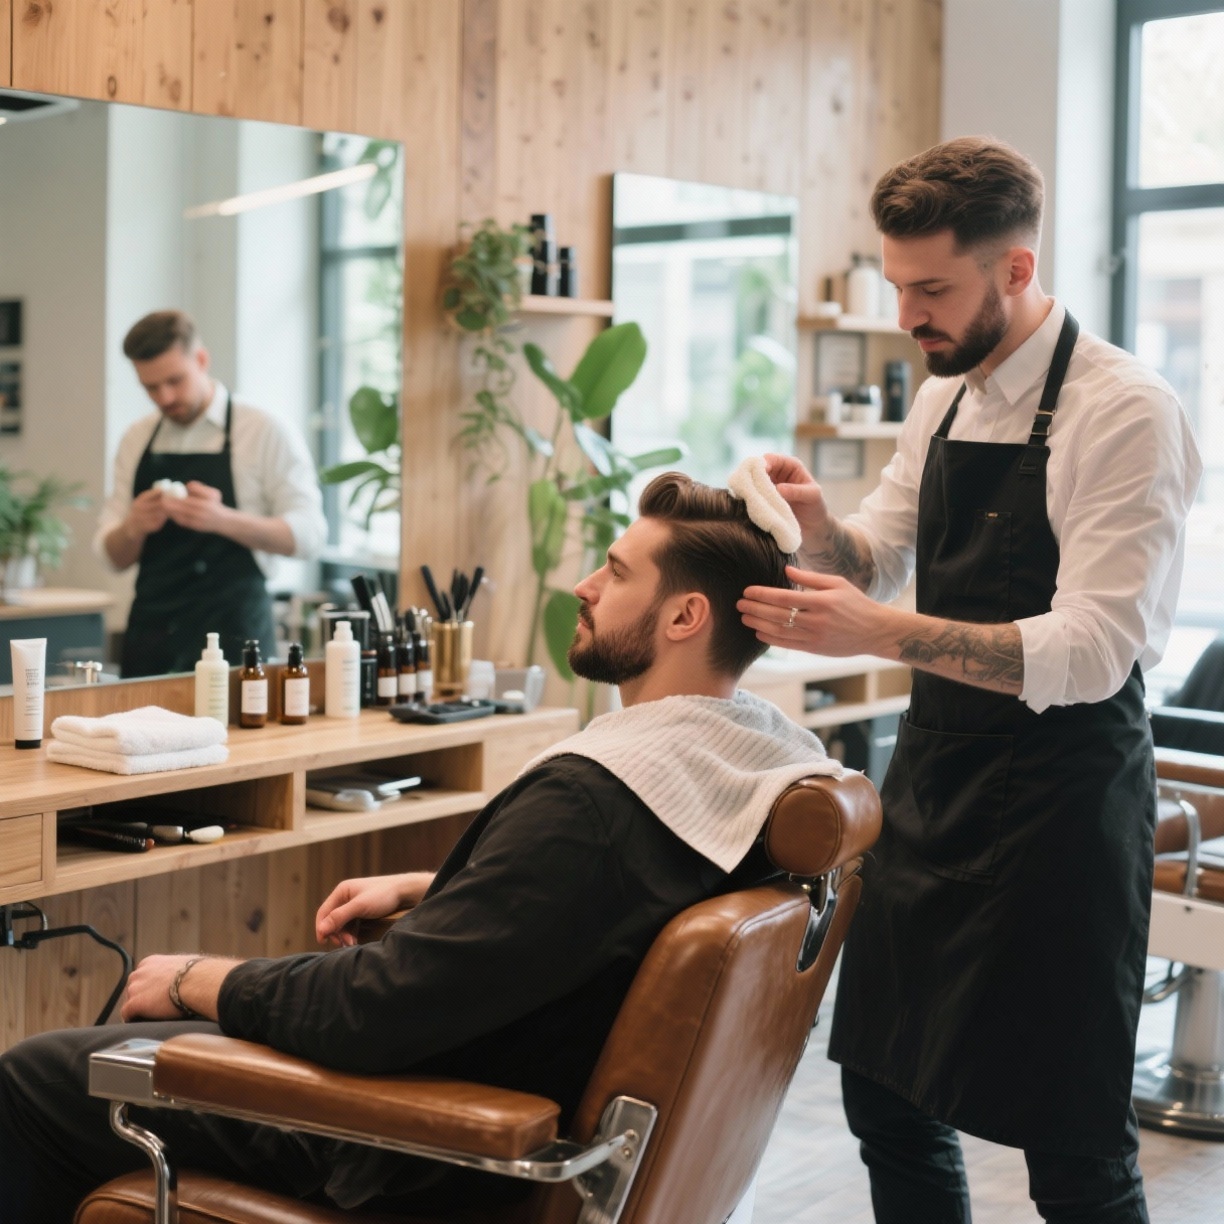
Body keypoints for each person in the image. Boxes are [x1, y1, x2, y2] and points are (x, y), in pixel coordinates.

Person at [0, 470, 836, 1223]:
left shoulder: (593, 800)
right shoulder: (741, 772)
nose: (583, 586)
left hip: (419, 1146)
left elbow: (376, 1011)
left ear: (686, 616)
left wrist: (200, 979)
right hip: (504, 1095)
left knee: (40, 1075)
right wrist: (446, 888)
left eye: (615, 573)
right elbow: (592, 906)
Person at [738, 137, 1202, 1223]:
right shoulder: (945, 395)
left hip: (1062, 806)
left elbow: (1092, 649)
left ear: (1017, 270)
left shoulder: (1124, 409)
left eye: (933, 289)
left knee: (1072, 1145)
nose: (908, 315)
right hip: (937, 783)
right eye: (898, 285)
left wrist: (878, 634)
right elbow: (876, 556)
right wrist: (817, 527)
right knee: (887, 1101)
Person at [94, 310, 326, 677]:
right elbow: (112, 557)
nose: (165, 397)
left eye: (175, 380)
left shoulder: (263, 430)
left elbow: (310, 536)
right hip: (151, 641)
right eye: (151, 387)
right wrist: (133, 527)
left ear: (201, 360)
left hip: (236, 639)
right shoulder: (136, 438)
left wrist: (224, 520)